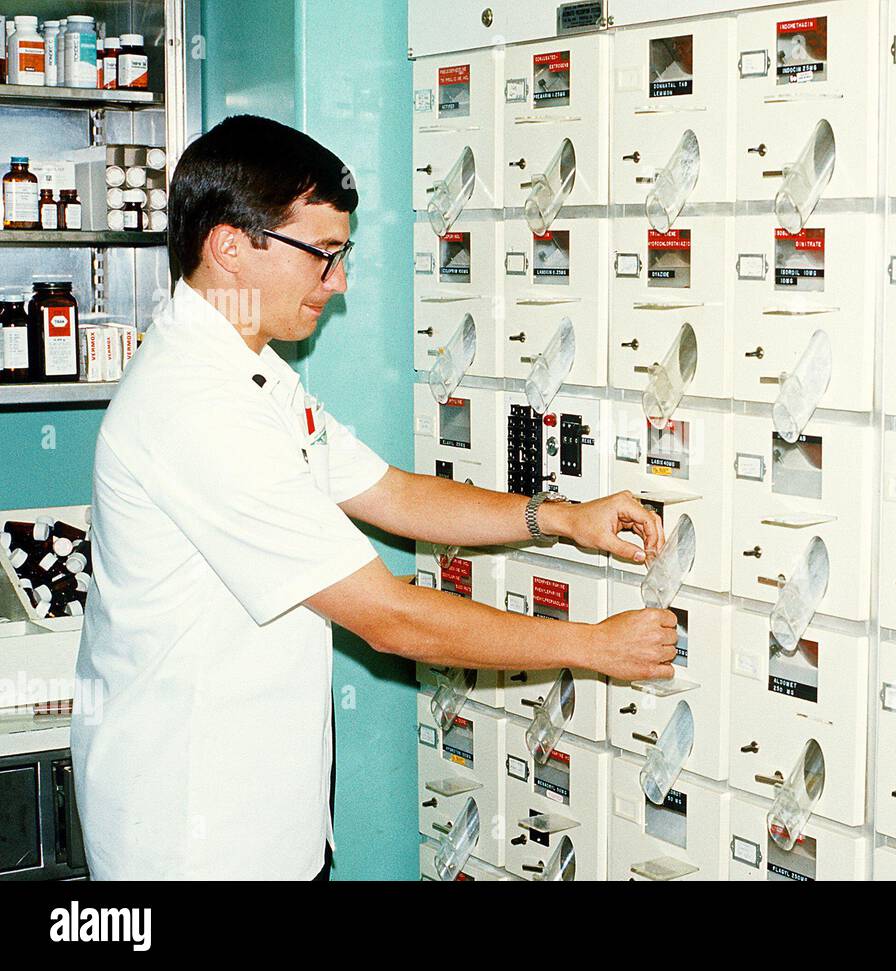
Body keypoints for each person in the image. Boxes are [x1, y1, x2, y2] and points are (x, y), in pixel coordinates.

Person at [70, 114, 677, 881]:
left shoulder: (250, 373)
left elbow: (389, 492)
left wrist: (557, 518)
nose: (340, 281)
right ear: (229, 246)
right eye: (321, 255)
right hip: (194, 839)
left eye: (342, 254)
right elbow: (388, 618)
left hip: (264, 820)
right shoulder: (197, 408)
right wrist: (591, 647)